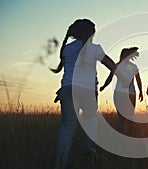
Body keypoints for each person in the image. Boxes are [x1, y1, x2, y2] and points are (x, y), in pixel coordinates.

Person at [50, 19, 120, 169]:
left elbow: (68, 74)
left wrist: (63, 90)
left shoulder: (67, 49)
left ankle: (62, 164)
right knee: (90, 123)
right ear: (91, 33)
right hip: (88, 91)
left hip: (67, 90)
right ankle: (89, 156)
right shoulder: (95, 48)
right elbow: (112, 65)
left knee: (67, 127)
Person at [100, 47, 143, 132]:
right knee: (129, 115)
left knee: (123, 117)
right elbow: (138, 80)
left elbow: (138, 80)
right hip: (129, 93)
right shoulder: (131, 66)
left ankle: (125, 133)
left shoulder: (117, 66)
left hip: (122, 93)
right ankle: (128, 133)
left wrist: (104, 86)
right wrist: (141, 92)